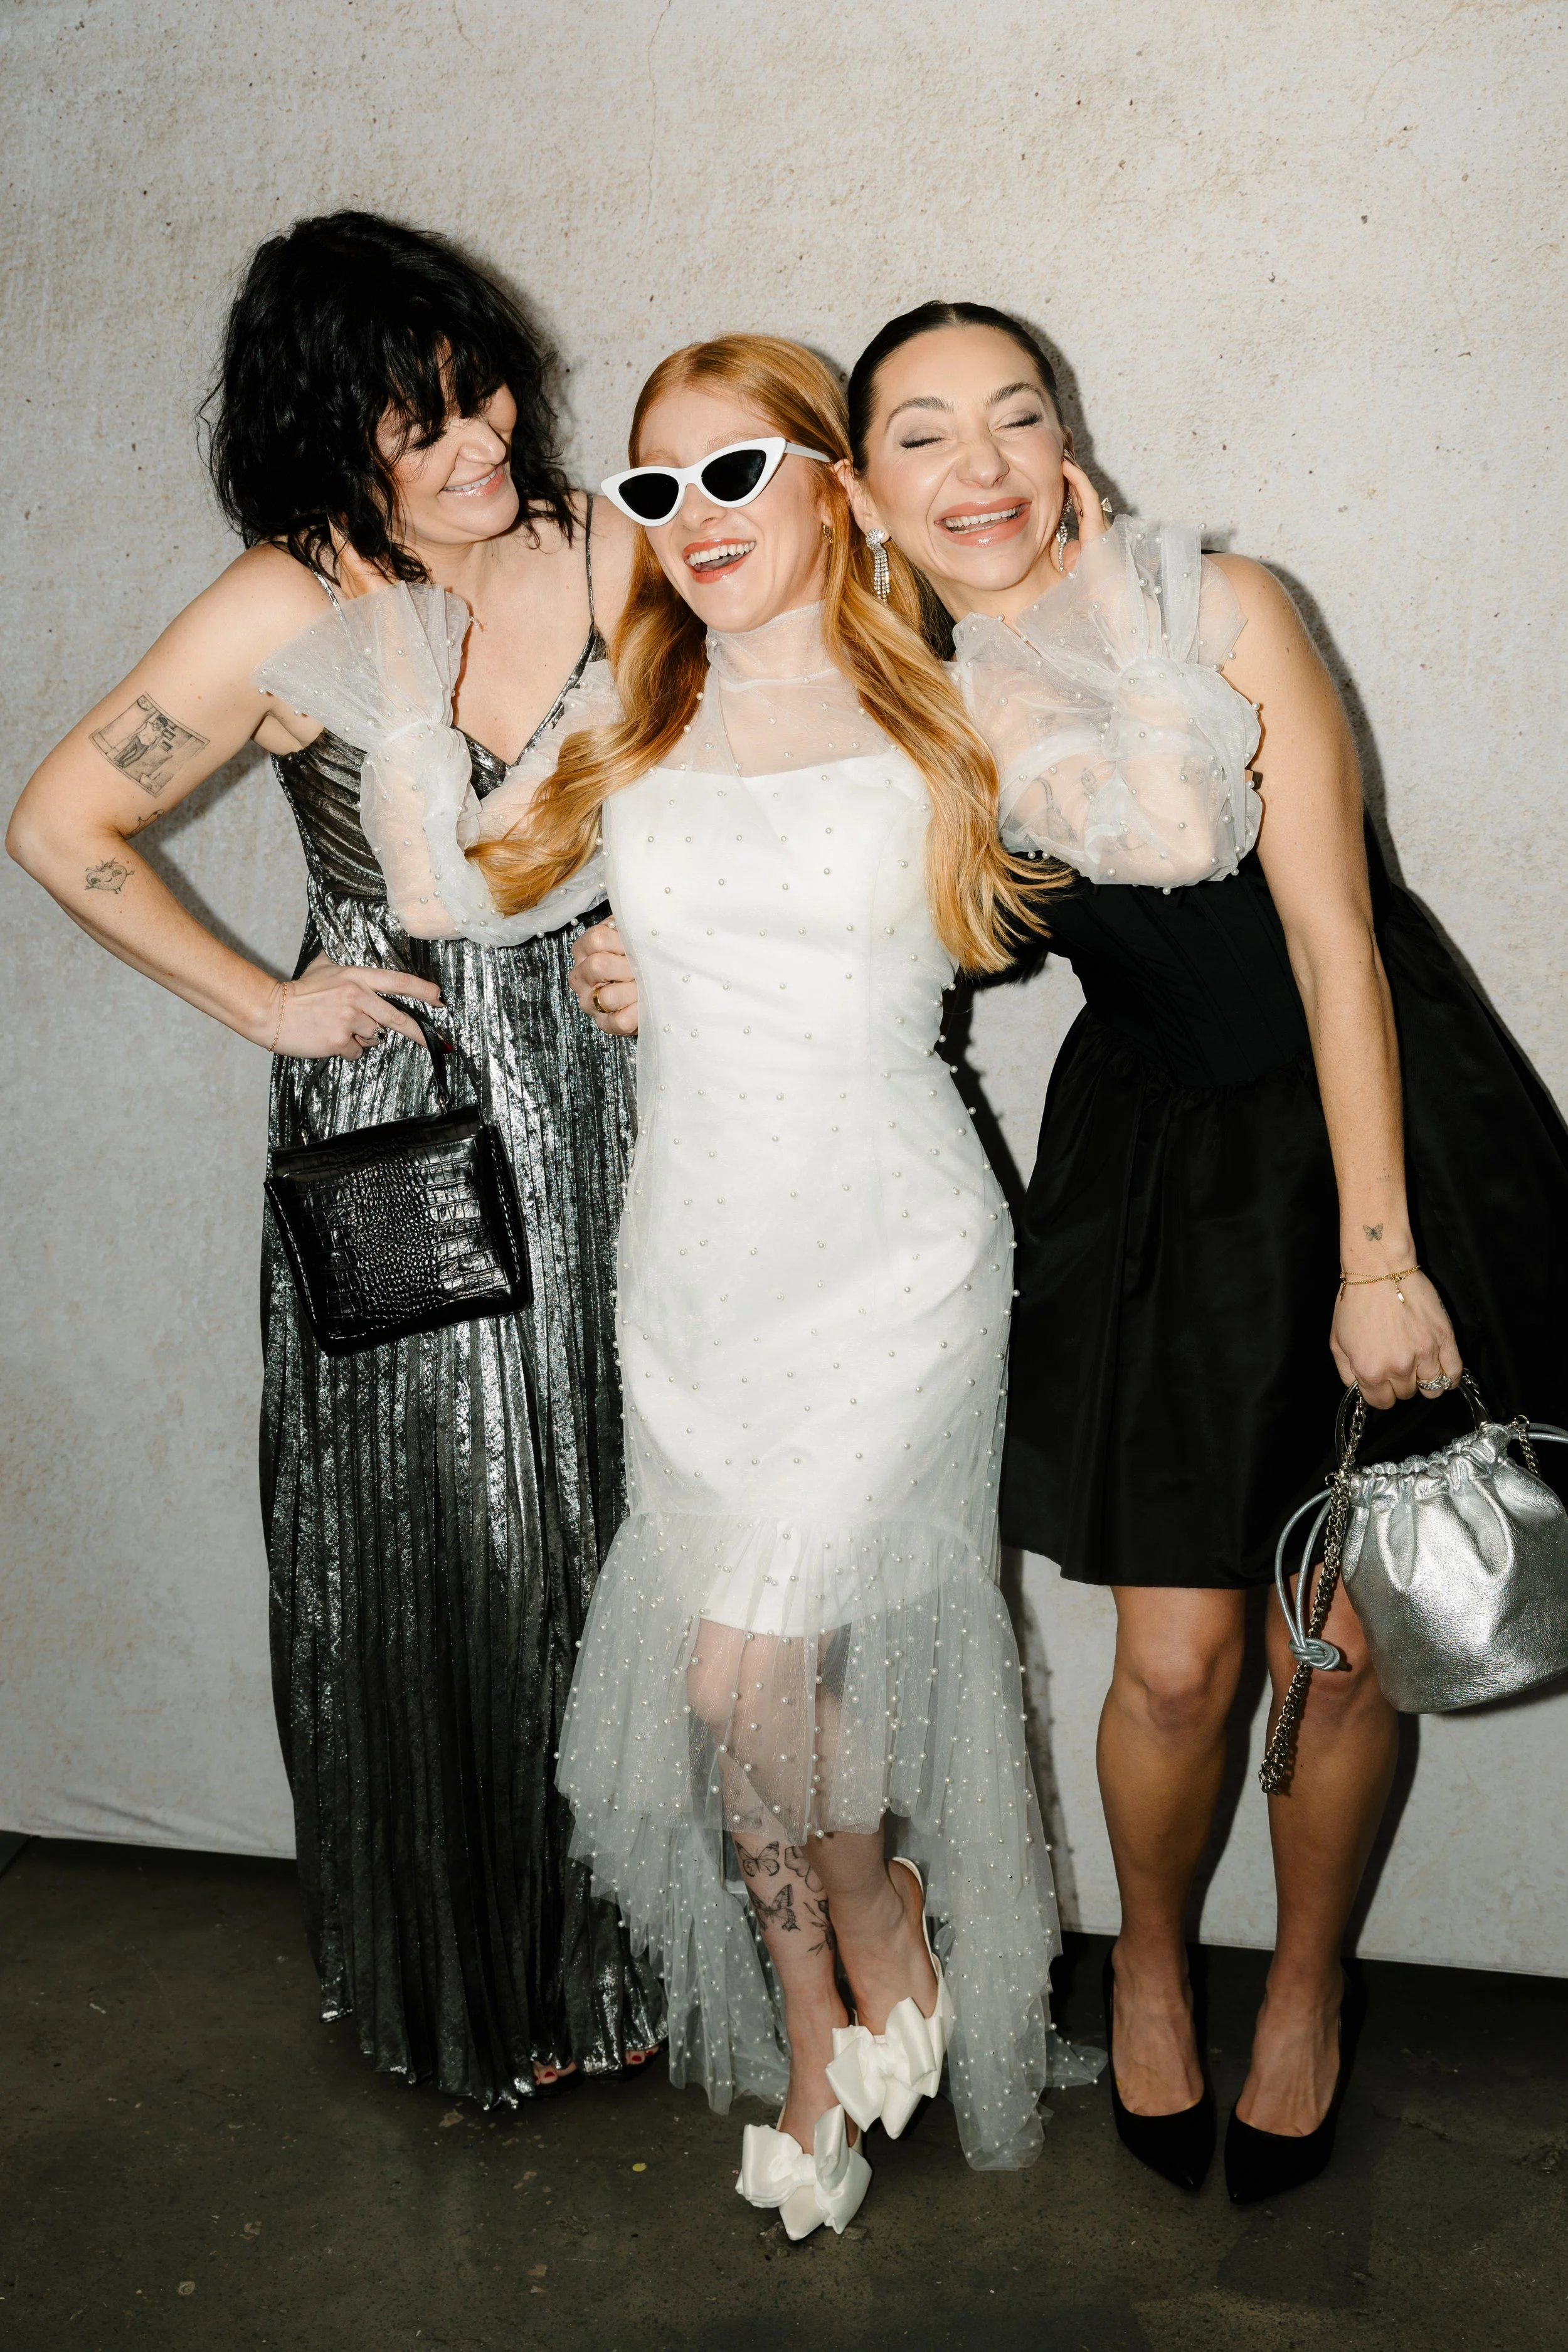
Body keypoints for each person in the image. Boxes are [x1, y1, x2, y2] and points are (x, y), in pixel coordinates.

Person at [576, 299, 1568, 2205]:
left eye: (1014, 418)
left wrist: (1380, 1251)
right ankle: (1140, 1959)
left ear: (1066, 439)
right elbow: (852, 918)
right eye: (924, 435)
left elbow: (1336, 941)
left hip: (1371, 1116)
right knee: (1181, 1661)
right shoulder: (918, 693)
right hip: (1156, 1163)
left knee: (1337, 1642)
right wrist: (645, 958)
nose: (979, 466)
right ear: (862, 490)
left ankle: (1300, 1991)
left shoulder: (1220, 604)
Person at [391, 332, 1104, 2232]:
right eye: (651, 488)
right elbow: (457, 885)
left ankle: (876, 1924)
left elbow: (1169, 823)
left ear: (828, 488)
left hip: (892, 1255)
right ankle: (819, 2010)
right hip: (697, 1264)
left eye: (733, 472)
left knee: (734, 1670)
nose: (691, 517)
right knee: (741, 1699)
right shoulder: (626, 717)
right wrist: (399, 712)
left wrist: (1108, 603)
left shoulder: (950, 707)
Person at [7, 210, 663, 2106]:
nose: (474, 452)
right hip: (404, 1117)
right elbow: (63, 821)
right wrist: (267, 1001)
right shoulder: (280, 602)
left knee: (647, 1520)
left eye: (484, 401)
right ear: (327, 438)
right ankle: (481, 1990)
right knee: (443, 1540)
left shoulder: (620, 542)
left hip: (637, 1093)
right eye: (416, 429)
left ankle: (664, 1960)